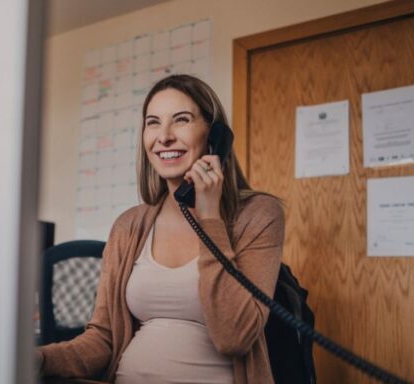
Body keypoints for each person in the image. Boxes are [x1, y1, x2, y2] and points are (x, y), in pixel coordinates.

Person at [38, 74, 284, 383]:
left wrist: (210, 216)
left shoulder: (259, 215)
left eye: (181, 120)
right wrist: (40, 358)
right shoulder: (129, 226)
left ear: (215, 136)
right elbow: (103, 339)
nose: (164, 137)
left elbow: (234, 337)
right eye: (153, 123)